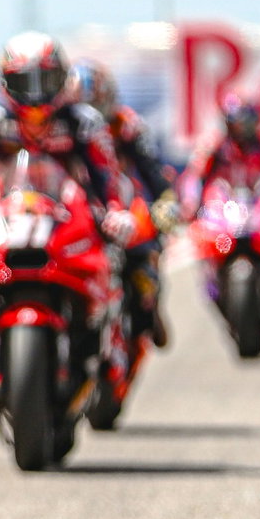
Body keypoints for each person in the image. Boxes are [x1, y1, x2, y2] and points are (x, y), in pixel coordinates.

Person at [0, 32, 136, 248]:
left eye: (45, 80)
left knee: (117, 258)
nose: (35, 95)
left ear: (62, 78)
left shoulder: (84, 122)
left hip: (72, 221)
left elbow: (108, 174)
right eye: (23, 81)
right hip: (3, 221)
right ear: (5, 82)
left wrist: (116, 211)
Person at [74, 58, 176, 346]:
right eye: (79, 107)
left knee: (148, 247)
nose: (87, 117)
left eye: (92, 106)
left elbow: (152, 168)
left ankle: (149, 305)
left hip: (120, 205)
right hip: (73, 208)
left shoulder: (126, 125)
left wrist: (165, 199)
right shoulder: (58, 126)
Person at [178, 93, 260, 301]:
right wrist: (190, 202)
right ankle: (211, 277)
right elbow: (194, 177)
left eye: (245, 123)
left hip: (256, 203)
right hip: (224, 203)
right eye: (235, 124)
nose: (241, 130)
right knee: (206, 235)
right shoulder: (213, 146)